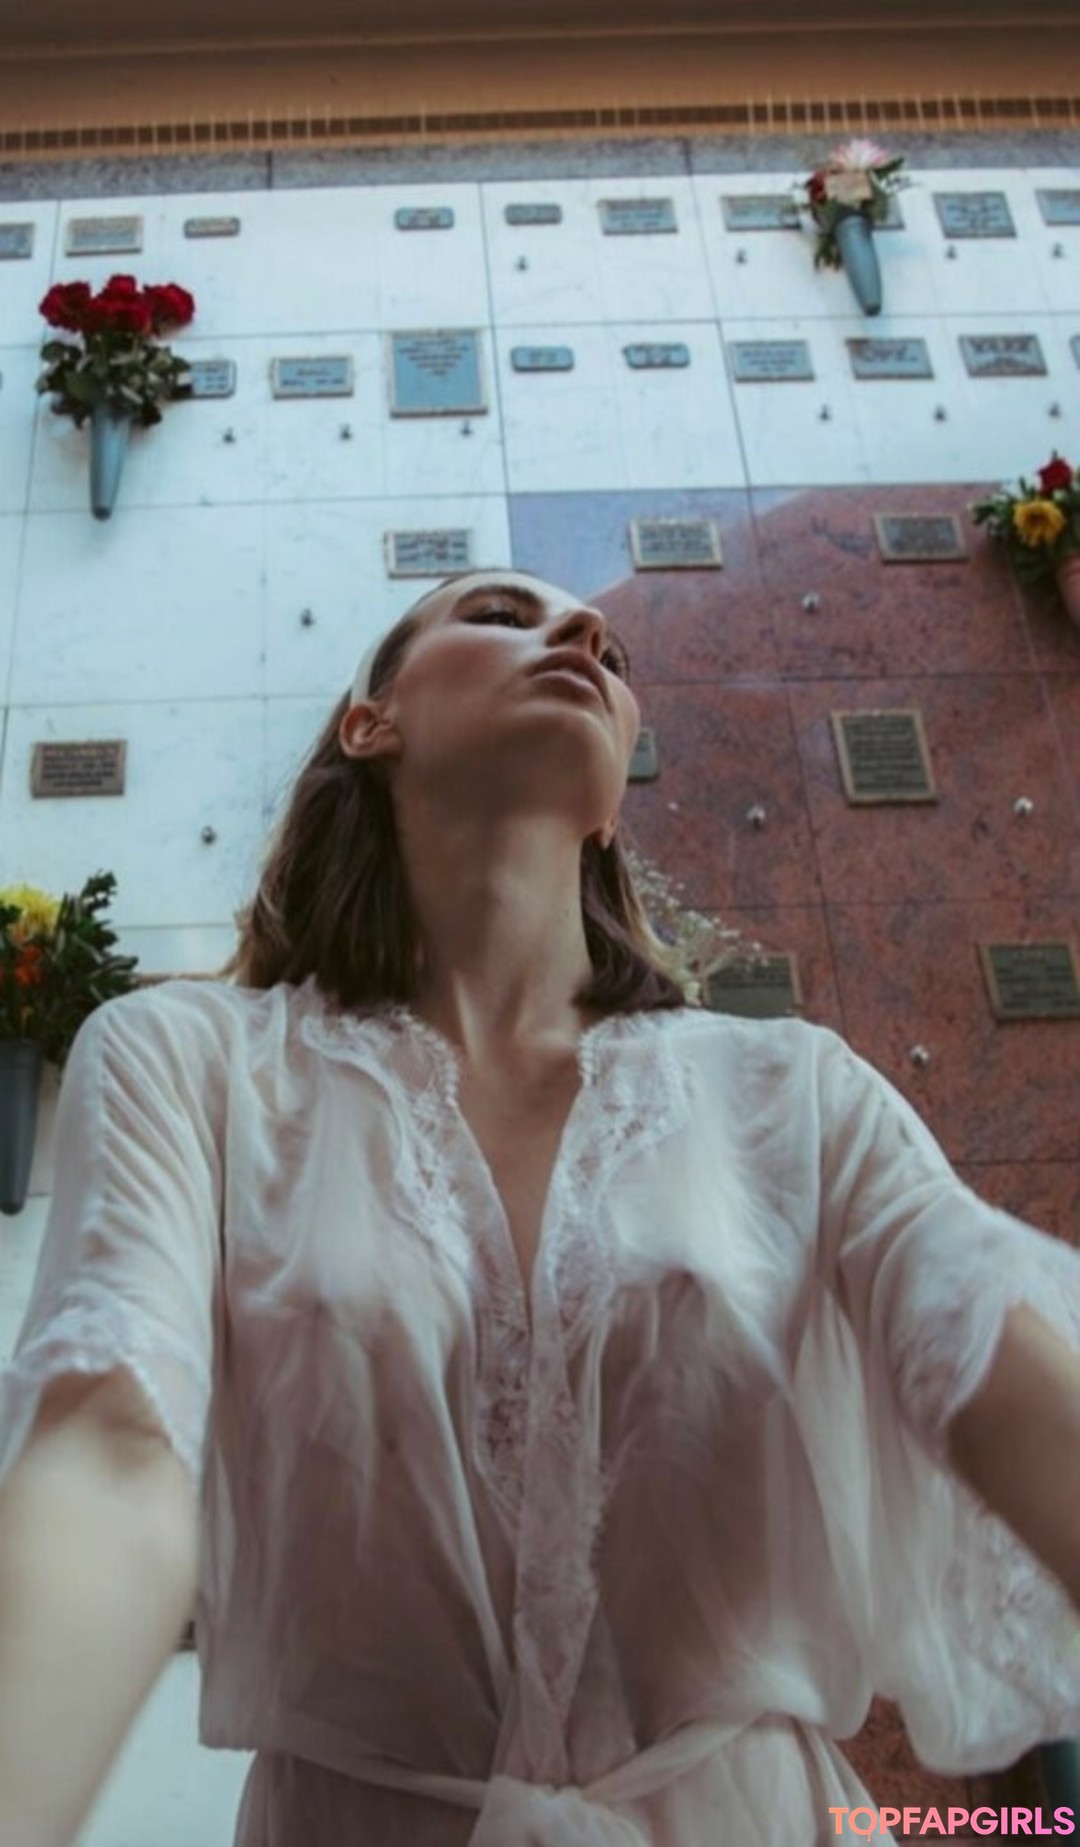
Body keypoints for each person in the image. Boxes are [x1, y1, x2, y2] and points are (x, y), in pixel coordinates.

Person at [0, 567, 1078, 1847]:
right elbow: (112, 1429)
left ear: (614, 805)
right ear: (371, 721)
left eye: (609, 652)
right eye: (502, 616)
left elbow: (983, 1343)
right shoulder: (191, 1063)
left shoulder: (792, 1090)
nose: (582, 633)